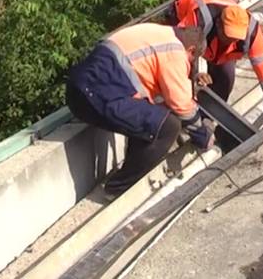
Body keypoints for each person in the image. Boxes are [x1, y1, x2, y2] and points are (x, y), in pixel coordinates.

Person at [66, 23, 212, 198]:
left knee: (152, 119)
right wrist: (203, 136)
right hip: (96, 93)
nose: (189, 64)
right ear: (191, 49)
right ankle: (118, 189)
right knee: (168, 127)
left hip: (85, 89)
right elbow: (181, 105)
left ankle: (128, 174)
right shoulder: (174, 51)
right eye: (191, 59)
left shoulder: (162, 34)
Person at [170, 0, 263, 123]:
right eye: (228, 36)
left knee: (225, 79)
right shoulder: (199, 20)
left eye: (236, 38)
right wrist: (195, 73)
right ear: (219, 25)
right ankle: (179, 119)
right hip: (181, 13)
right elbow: (178, 55)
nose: (231, 41)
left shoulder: (252, 32)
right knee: (177, 79)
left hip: (209, 34)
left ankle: (207, 120)